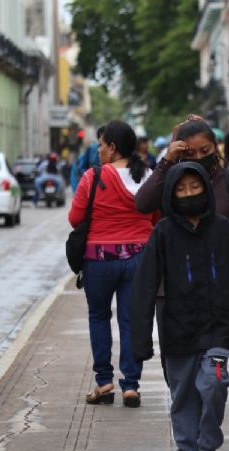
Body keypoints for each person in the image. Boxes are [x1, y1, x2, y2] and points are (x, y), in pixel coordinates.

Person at [130, 161, 229, 451]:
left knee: (214, 384)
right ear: (171, 193)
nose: (189, 193)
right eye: (181, 188)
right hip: (177, 330)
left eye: (195, 186)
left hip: (217, 329)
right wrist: (140, 340)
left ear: (205, 187)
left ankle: (208, 450)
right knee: (184, 398)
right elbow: (145, 286)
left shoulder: (222, 230)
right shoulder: (162, 233)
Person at [68, 120, 157, 408]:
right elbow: (156, 218)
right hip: (139, 258)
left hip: (99, 259)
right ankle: (130, 386)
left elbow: (75, 219)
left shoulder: (92, 177)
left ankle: (104, 382)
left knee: (99, 317)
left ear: (112, 147)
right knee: (131, 320)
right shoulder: (148, 177)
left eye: (101, 144)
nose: (98, 150)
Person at [135, 117, 229, 309]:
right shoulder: (170, 181)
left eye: (205, 151)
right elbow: (143, 203)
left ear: (215, 146)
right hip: (173, 289)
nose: (198, 157)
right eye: (190, 153)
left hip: (219, 287)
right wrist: (166, 162)